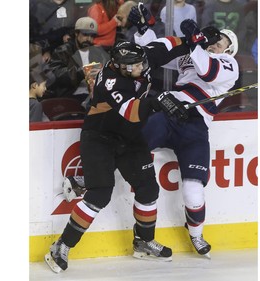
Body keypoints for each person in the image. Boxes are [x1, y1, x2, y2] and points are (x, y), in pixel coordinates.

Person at [45, 40, 190, 273]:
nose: (141, 67)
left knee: (148, 189)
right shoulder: (111, 82)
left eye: (141, 63)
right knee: (100, 194)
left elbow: (166, 46)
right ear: (120, 66)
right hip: (100, 138)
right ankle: (61, 245)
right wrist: (158, 101)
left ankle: (143, 241)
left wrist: (195, 39)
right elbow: (132, 112)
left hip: (130, 138)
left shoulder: (138, 61)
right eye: (135, 66)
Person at [131, 6, 239, 258]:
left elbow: (208, 72)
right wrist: (144, 31)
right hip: (170, 113)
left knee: (193, 192)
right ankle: (86, 177)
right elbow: (156, 55)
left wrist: (195, 44)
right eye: (214, 39)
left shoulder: (228, 64)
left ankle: (196, 234)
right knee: (131, 144)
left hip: (195, 127)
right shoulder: (194, 53)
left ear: (230, 50)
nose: (214, 43)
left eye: (220, 42)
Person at [44, 17, 110, 107]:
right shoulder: (63, 50)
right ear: (76, 33)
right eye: (85, 35)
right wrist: (81, 71)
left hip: (92, 93)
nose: (89, 39)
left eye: (92, 36)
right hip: (69, 95)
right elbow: (55, 75)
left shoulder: (97, 52)